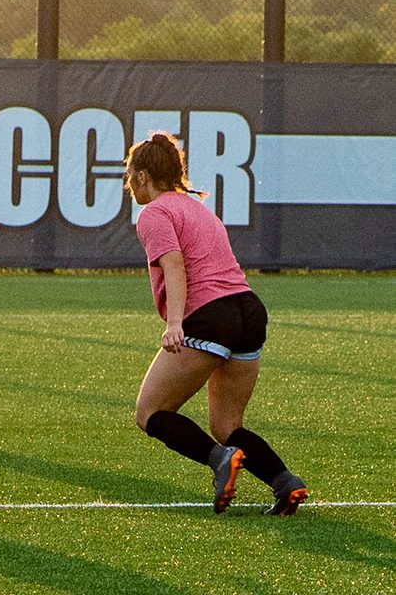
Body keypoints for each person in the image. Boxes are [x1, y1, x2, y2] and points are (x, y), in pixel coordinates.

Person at [127, 132, 308, 516]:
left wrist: (175, 323)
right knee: (227, 423)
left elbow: (173, 263)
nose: (129, 185)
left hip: (210, 316)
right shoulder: (199, 209)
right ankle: (283, 481)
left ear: (143, 176)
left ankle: (219, 460)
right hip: (248, 310)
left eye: (130, 176)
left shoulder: (154, 213)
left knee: (149, 413)